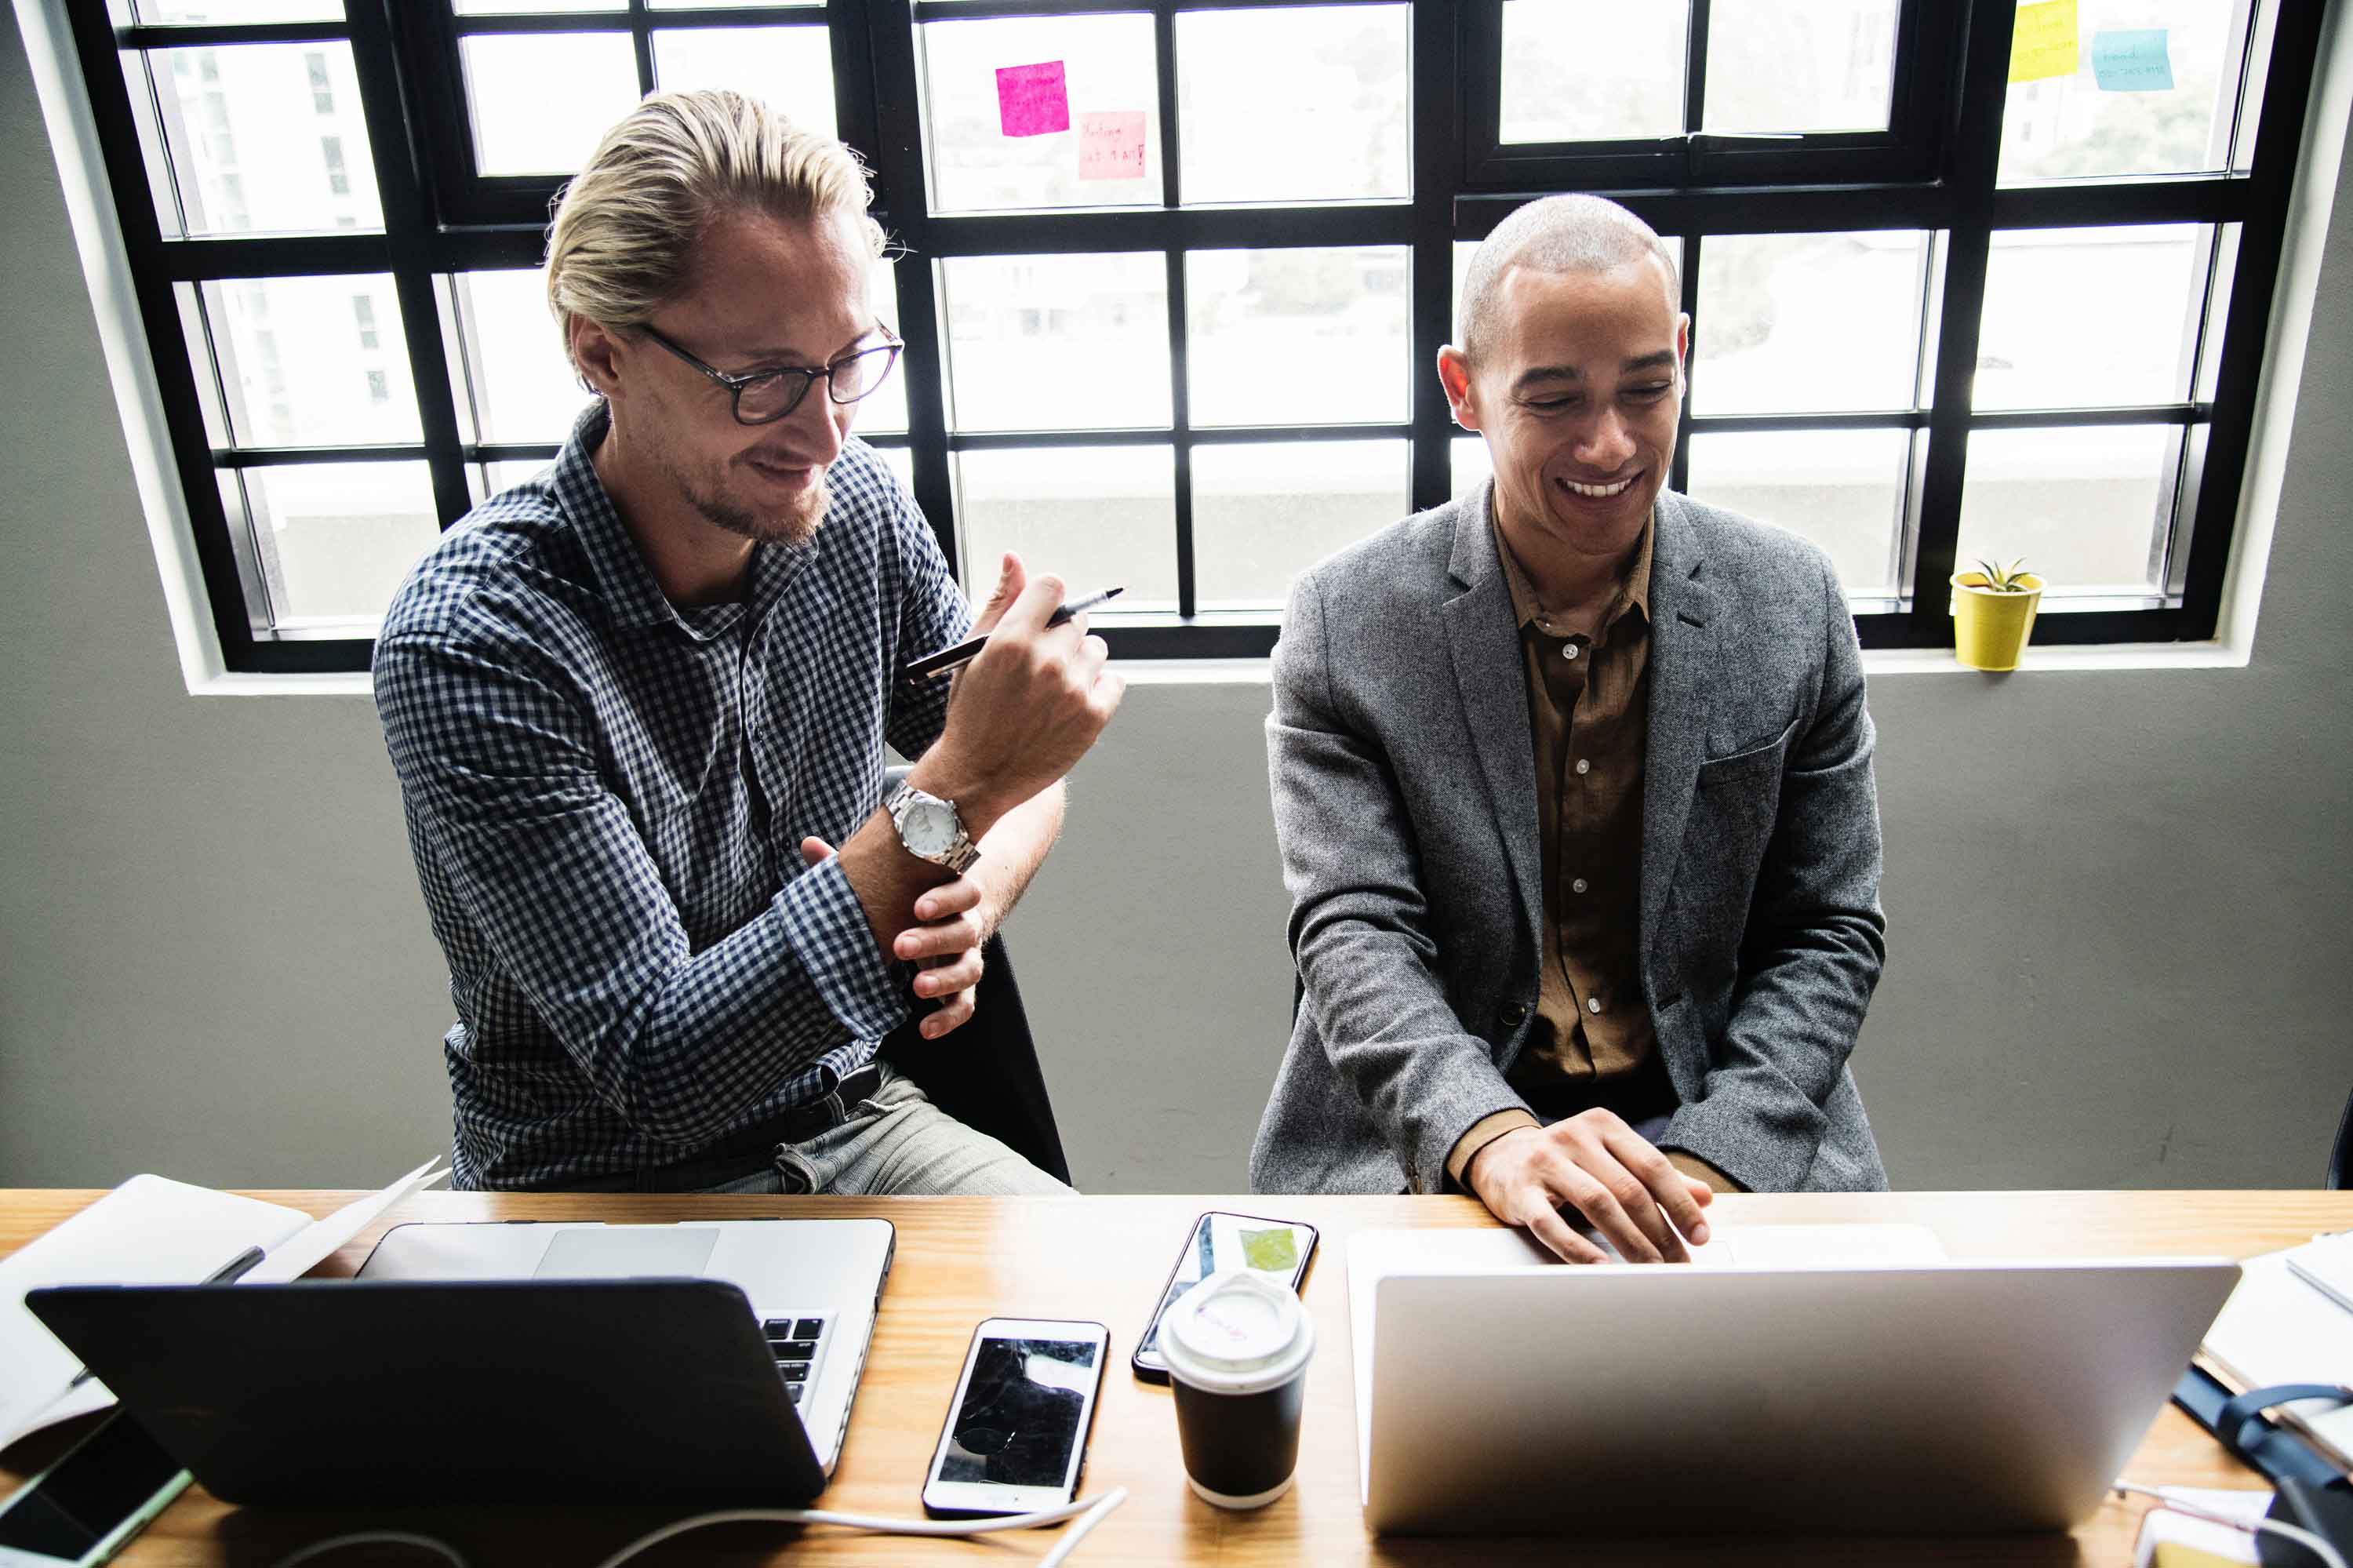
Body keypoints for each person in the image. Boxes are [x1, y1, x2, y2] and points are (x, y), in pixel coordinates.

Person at [373, 90, 1123, 1192]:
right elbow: (664, 1071)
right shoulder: (476, 645)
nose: (823, 432)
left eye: (849, 362)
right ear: (603, 354)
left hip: (854, 1115)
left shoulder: (852, 504)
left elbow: (1010, 776)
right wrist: (954, 797)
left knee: (1097, 1308)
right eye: (763, 379)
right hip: (596, 1182)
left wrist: (973, 891)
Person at [1250, 194, 1887, 1261]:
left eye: (1648, 388)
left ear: (1683, 355)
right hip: (1447, 1135)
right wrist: (1491, 1136)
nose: (1612, 442)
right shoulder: (1344, 621)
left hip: (1720, 1124)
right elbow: (1353, 933)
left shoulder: (1793, 600)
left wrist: (1700, 1169)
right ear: (1465, 390)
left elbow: (1828, 928)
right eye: (1555, 400)